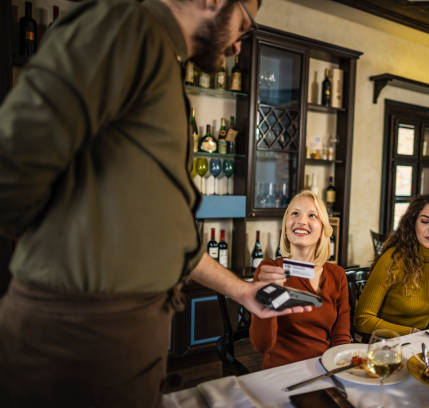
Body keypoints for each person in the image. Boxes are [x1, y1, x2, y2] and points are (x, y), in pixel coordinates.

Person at [0, 0, 310, 406]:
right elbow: (13, 166)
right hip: (82, 338)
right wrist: (72, 266)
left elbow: (166, 232)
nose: (238, 45)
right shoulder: (127, 30)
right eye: (244, 24)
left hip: (116, 336)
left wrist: (242, 291)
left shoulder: (162, 58)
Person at [250, 190, 351, 368]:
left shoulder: (337, 275)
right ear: (286, 226)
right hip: (282, 372)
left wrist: (338, 370)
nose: (301, 221)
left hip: (324, 368)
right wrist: (266, 299)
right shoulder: (270, 270)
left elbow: (341, 337)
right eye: (294, 213)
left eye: (312, 215)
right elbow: (261, 345)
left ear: (323, 229)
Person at [354, 192, 429, 336]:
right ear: (412, 223)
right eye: (424, 221)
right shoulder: (392, 260)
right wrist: (412, 332)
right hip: (386, 343)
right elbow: (363, 320)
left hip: (421, 338)